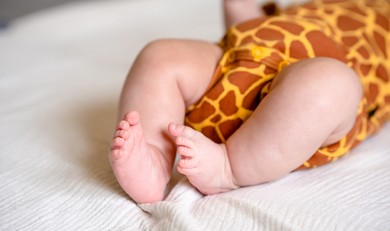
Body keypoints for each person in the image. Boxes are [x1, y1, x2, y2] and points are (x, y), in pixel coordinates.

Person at [109, 0, 390, 204]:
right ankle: (154, 156)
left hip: (298, 119)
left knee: (329, 83)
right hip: (234, 66)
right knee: (161, 55)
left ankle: (228, 168)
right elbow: (249, 22)